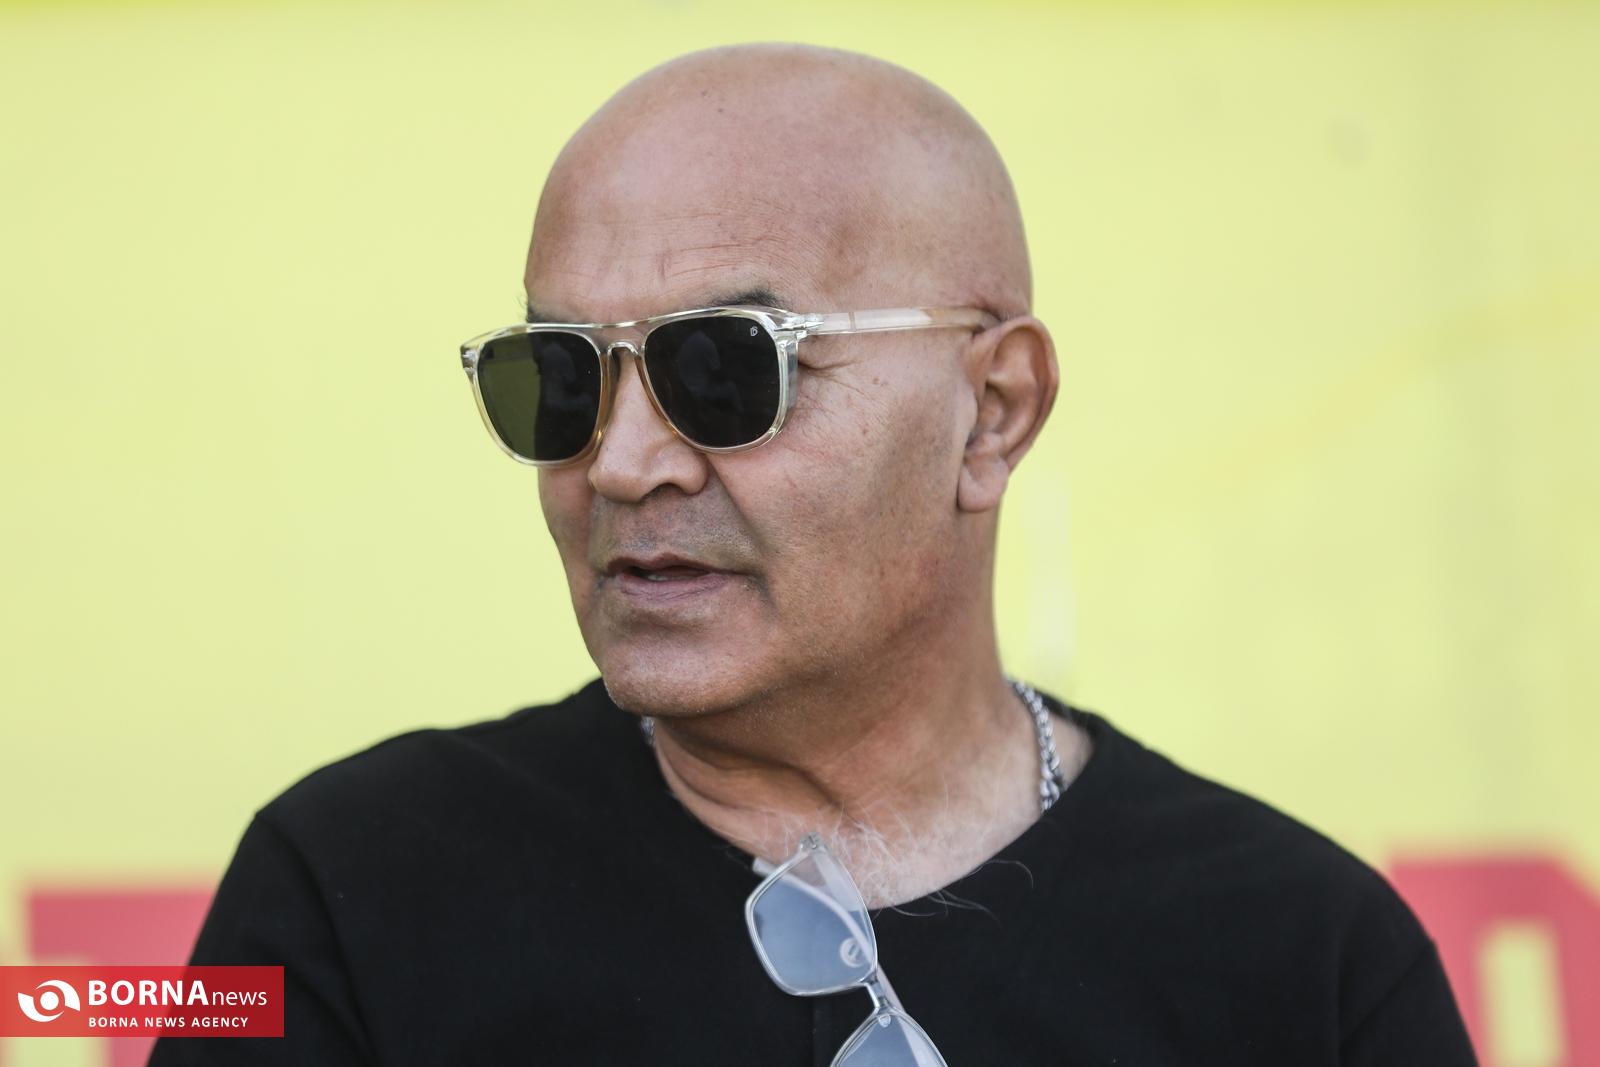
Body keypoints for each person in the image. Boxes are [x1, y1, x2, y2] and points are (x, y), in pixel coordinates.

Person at [150, 42, 1478, 1066]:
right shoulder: (352, 890)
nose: (622, 462)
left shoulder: (1307, 962)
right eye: (558, 379)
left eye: (724, 372)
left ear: (992, 411)